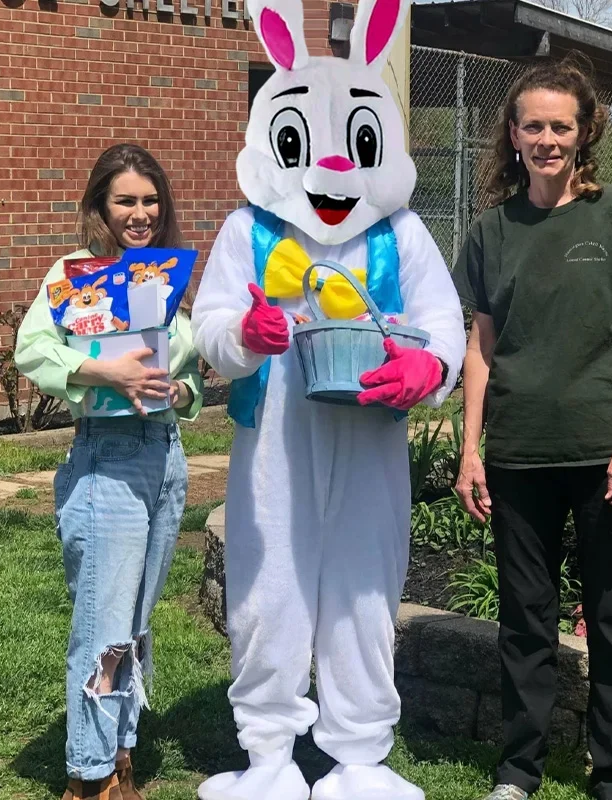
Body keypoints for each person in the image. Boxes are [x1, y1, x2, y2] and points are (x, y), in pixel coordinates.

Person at [190, 0, 466, 798]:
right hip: (274, 446)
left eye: (358, 143)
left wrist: (430, 368)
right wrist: (243, 332)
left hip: (370, 441)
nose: (336, 167)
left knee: (365, 588)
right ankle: (269, 755)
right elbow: (209, 326)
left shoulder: (401, 233)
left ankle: (358, 757)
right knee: (266, 587)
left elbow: (443, 320)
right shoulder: (248, 232)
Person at [453, 56, 612, 800]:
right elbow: (481, 346)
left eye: (561, 126)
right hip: (518, 456)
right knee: (526, 622)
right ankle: (519, 770)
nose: (546, 138)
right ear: (512, 136)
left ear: (584, 134)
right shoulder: (492, 230)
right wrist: (469, 450)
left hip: (605, 457)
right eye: (533, 126)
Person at [15, 143, 203, 800]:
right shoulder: (74, 275)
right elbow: (32, 349)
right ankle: (88, 777)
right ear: (101, 204)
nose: (141, 212)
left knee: (133, 626)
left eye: (151, 200)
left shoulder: (163, 281)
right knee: (103, 630)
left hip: (167, 458)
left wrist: (179, 392)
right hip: (109, 460)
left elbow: (189, 378)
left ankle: (120, 755)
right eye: (126, 199)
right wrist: (105, 371)